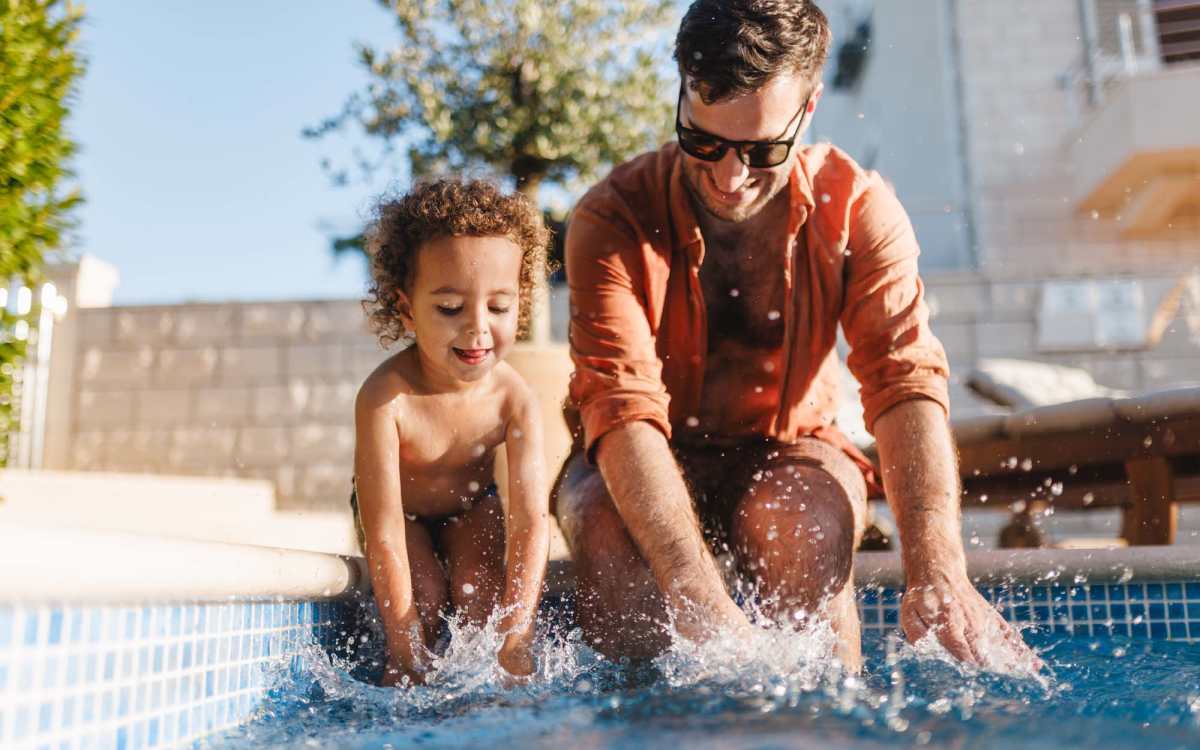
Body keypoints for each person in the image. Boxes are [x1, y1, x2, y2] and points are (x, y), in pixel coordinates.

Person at [555, 0, 1039, 671]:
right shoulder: (611, 219)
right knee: (605, 525)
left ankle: (824, 720)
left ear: (808, 108)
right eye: (704, 142)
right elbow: (621, 405)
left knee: (803, 522)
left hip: (789, 449)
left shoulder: (859, 211)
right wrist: (700, 598)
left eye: (761, 151)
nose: (729, 178)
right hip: (649, 452)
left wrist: (937, 570)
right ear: (681, 95)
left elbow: (904, 384)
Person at [353, 178, 552, 686]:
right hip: (405, 517)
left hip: (472, 506)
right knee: (421, 596)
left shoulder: (515, 400)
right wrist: (404, 648)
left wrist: (518, 634)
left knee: (478, 593)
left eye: (499, 307)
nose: (477, 327)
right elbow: (385, 531)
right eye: (449, 308)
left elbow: (531, 522)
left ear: (521, 304)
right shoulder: (385, 399)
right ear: (406, 309)